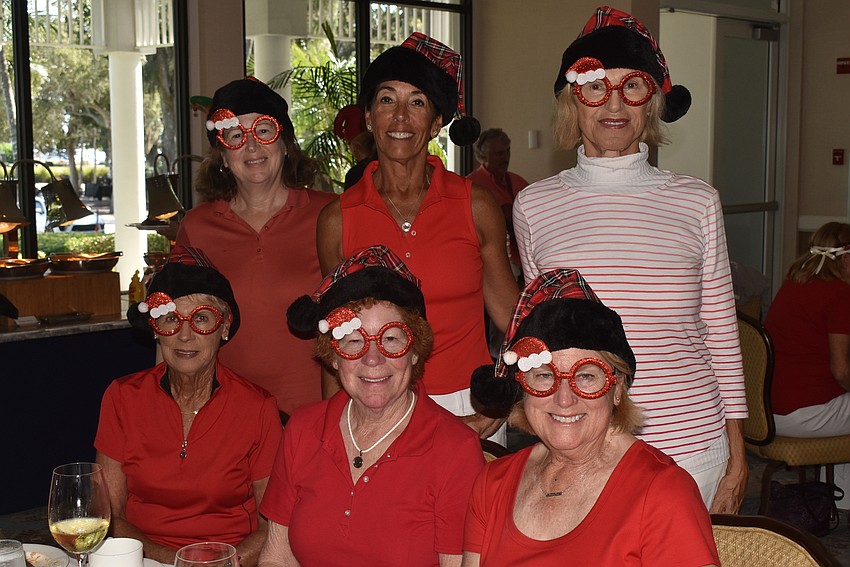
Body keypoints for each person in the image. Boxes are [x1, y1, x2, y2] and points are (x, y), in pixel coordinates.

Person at [511, 6, 748, 513]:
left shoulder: (698, 201)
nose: (613, 103)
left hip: (692, 445)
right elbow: (545, 343)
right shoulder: (534, 206)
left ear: (653, 103)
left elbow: (723, 335)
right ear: (571, 104)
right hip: (583, 446)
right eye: (595, 86)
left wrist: (738, 457)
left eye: (632, 86)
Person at [317, 32, 519, 441]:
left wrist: (503, 400)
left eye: (417, 103)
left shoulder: (474, 205)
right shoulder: (338, 219)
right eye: (387, 100)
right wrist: (331, 427)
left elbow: (513, 319)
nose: (401, 118)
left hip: (468, 404)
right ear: (370, 117)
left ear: (437, 122)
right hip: (374, 403)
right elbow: (333, 337)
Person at [464, 269, 720, 566]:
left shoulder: (663, 492)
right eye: (545, 376)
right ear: (523, 388)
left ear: (617, 389)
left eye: (585, 376)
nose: (563, 399)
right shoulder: (492, 483)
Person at [259, 246, 485, 566]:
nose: (373, 359)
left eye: (391, 339)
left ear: (415, 351)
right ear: (334, 357)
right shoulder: (303, 428)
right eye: (355, 341)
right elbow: (277, 558)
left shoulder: (456, 449)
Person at [95, 246, 282, 566]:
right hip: (144, 559)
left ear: (224, 328)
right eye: (171, 319)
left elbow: (273, 526)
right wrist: (175, 561)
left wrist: (219, 563)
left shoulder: (258, 408)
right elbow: (110, 516)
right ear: (157, 330)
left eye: (202, 319)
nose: (185, 335)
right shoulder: (122, 397)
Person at [177, 77, 337, 420]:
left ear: (285, 144)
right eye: (235, 136)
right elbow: (175, 330)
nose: (251, 147)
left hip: (316, 417)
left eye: (263, 131)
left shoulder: (331, 214)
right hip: (226, 416)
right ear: (222, 155)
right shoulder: (198, 226)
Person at [764, 221, 850, 508]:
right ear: (847, 257)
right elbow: (842, 371)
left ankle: (840, 500)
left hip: (768, 411)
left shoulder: (794, 283)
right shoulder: (839, 293)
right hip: (806, 413)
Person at [466, 128, 528, 275]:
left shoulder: (519, 183)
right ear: (483, 156)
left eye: (507, 151)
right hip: (485, 267)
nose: (505, 158)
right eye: (499, 154)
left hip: (520, 266)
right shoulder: (470, 186)